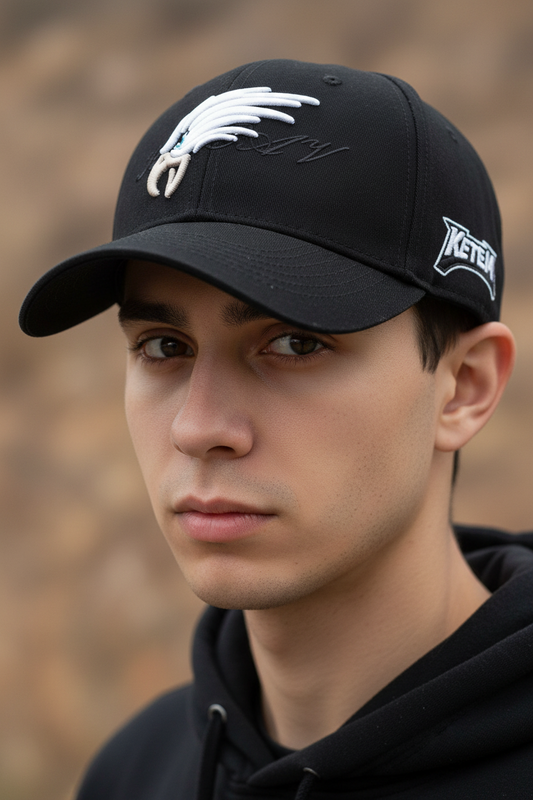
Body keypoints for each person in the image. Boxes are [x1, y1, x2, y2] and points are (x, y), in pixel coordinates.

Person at [19, 60, 533, 799]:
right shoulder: (134, 770)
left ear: (465, 387)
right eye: (163, 346)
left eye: (294, 344)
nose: (198, 428)